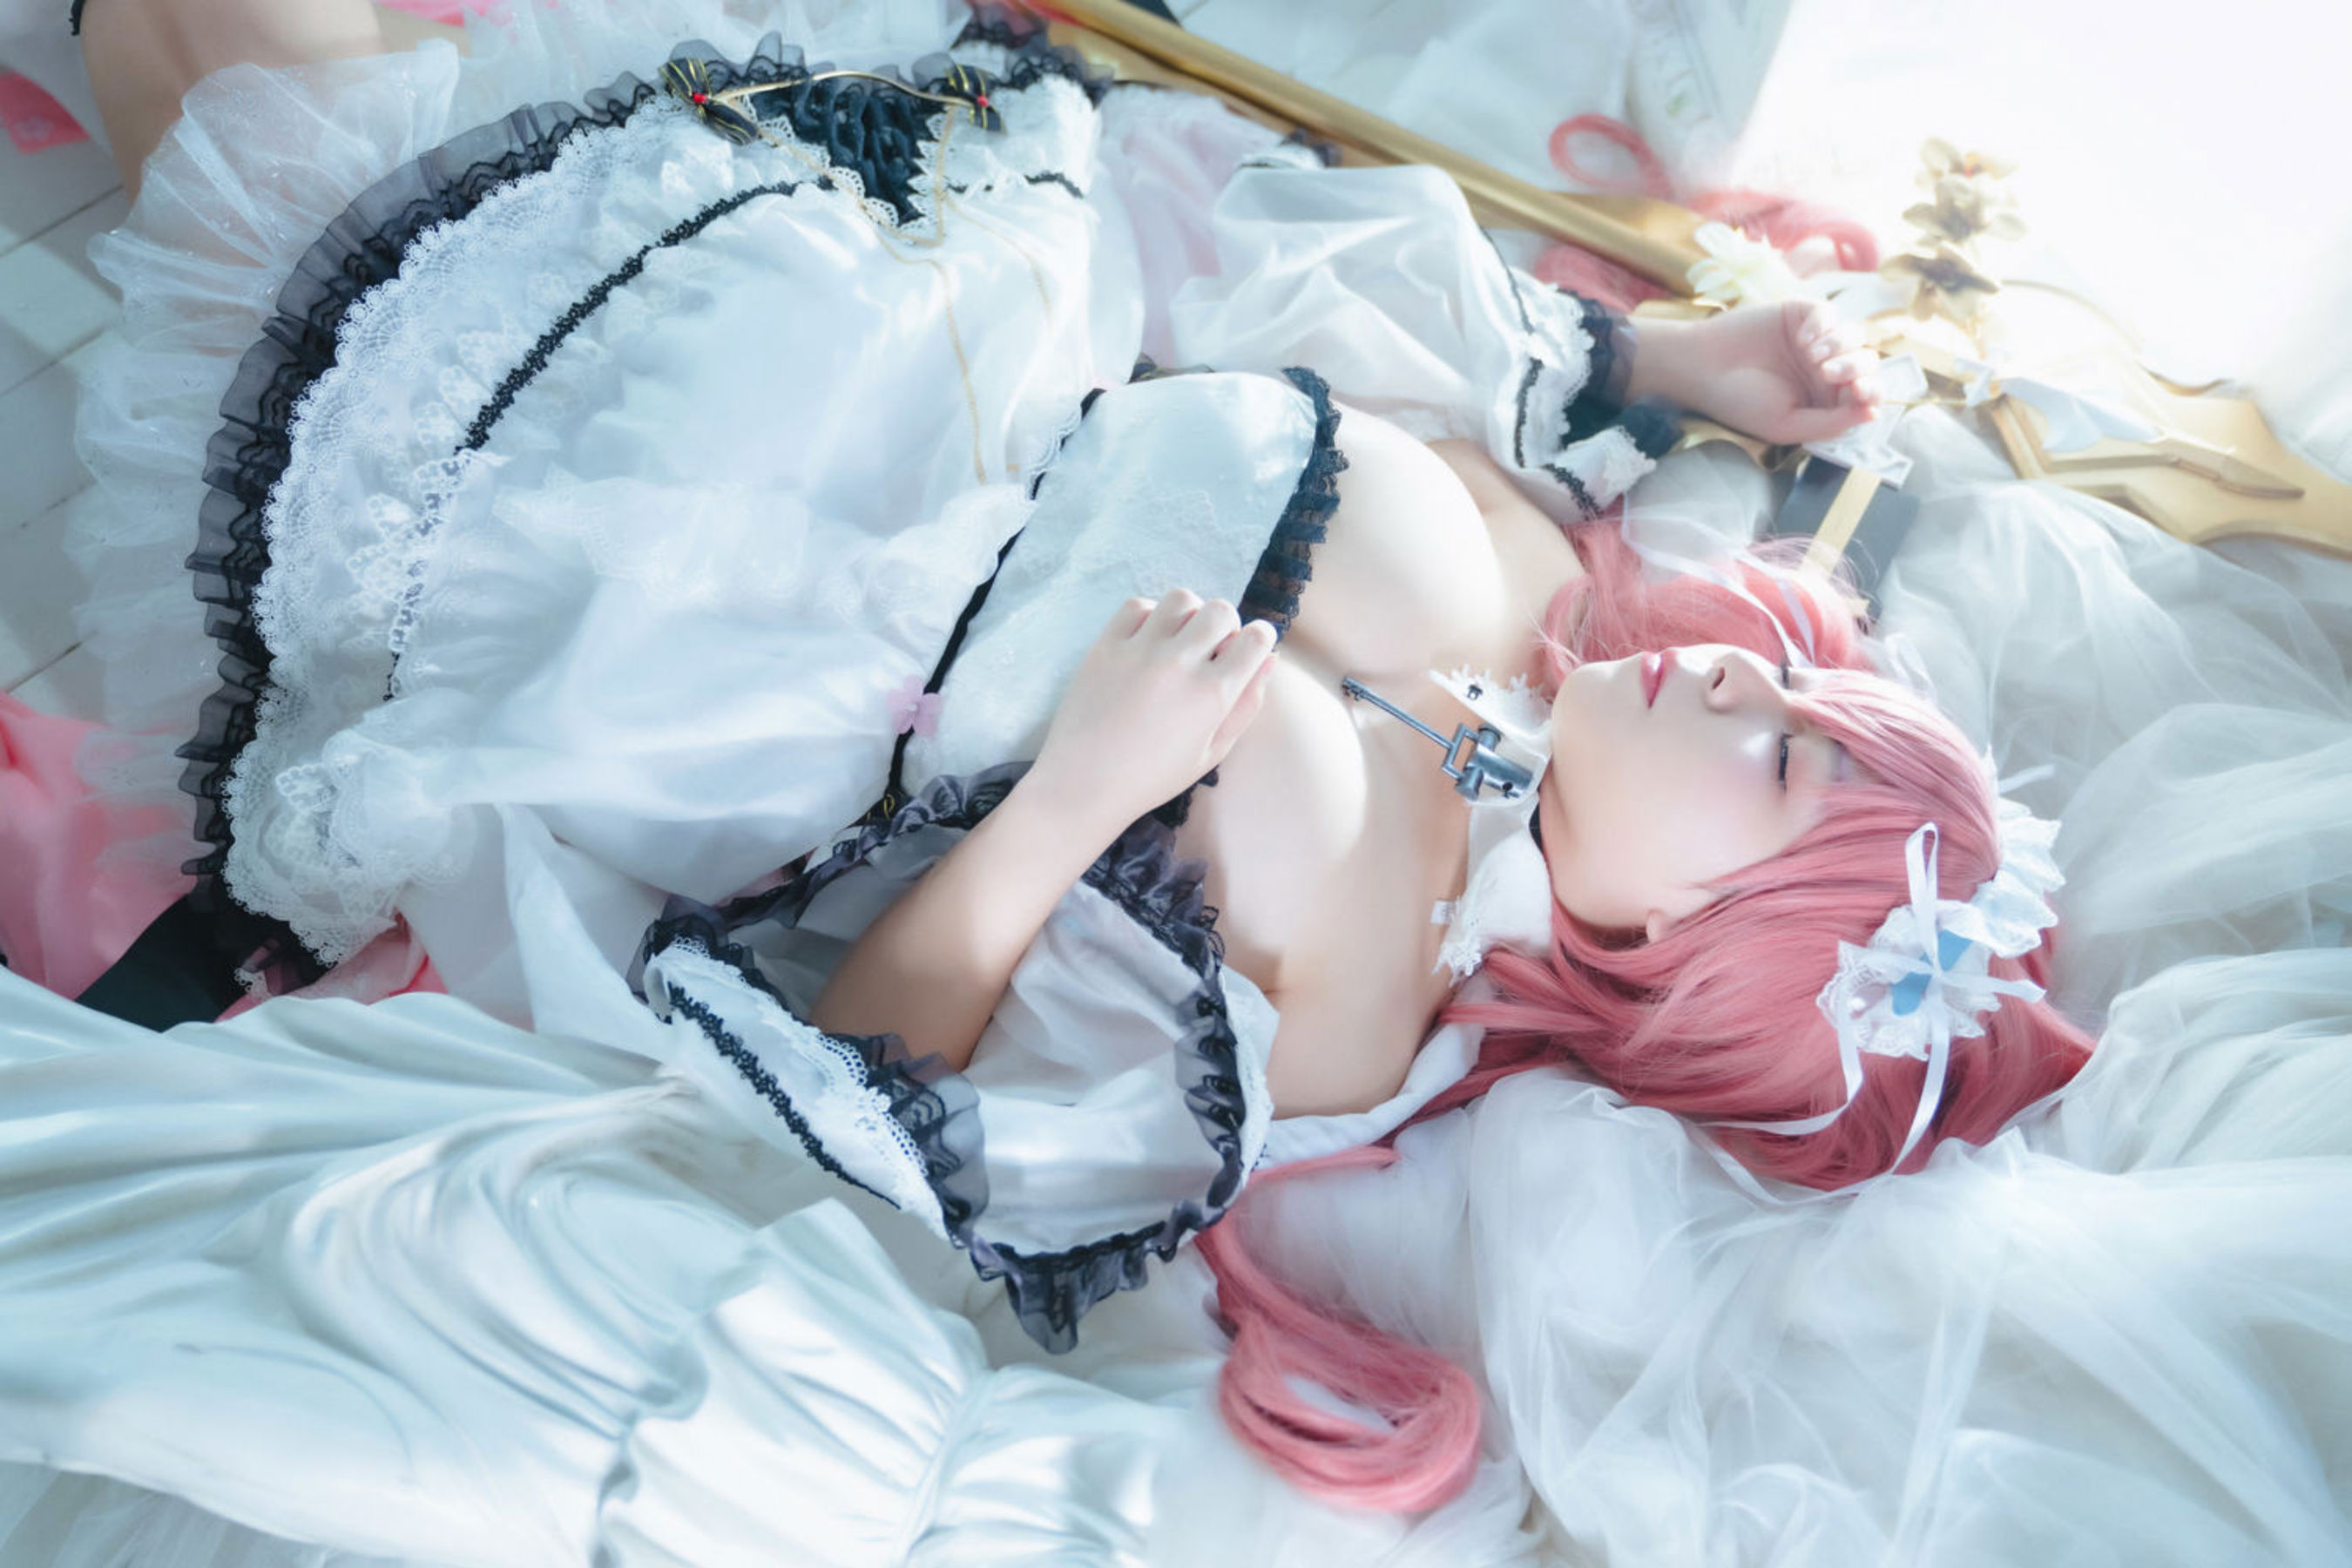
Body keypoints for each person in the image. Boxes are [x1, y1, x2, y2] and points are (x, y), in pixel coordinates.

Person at [28, 0, 2133, 1538]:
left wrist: (1068, 801)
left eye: (1782, 772)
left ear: (1686, 942)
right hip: (862, 296)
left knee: (245, 108)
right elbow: (1331, 288)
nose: (1750, 691)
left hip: (695, 594)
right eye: (1801, 702)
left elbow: (879, 1060)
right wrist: (1670, 362)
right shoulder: (1536, 571)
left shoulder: (1348, 1019)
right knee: (271, 96)